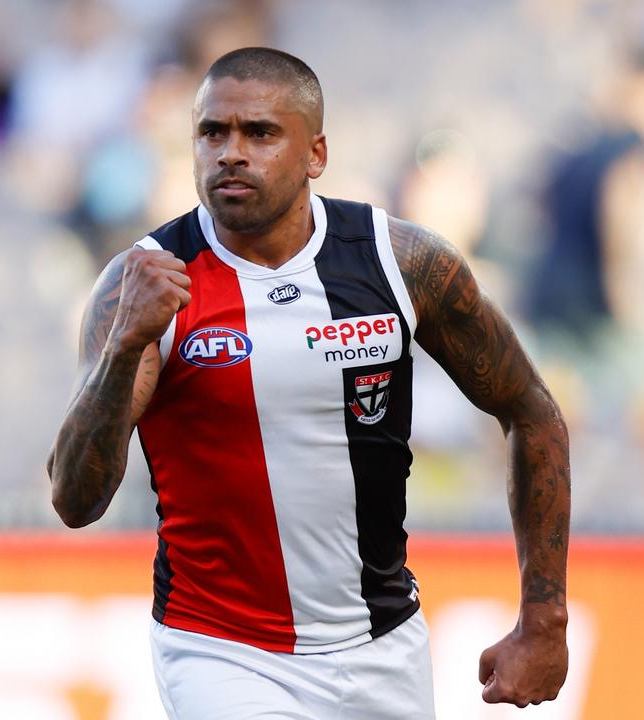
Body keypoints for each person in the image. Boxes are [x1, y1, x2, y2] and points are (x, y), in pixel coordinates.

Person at [47, 47, 571, 718]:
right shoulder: (147, 281)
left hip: (382, 645)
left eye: (259, 133)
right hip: (222, 652)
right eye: (213, 132)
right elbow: (73, 500)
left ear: (315, 154)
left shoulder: (400, 262)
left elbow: (533, 413)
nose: (230, 153)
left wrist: (544, 621)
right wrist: (125, 346)